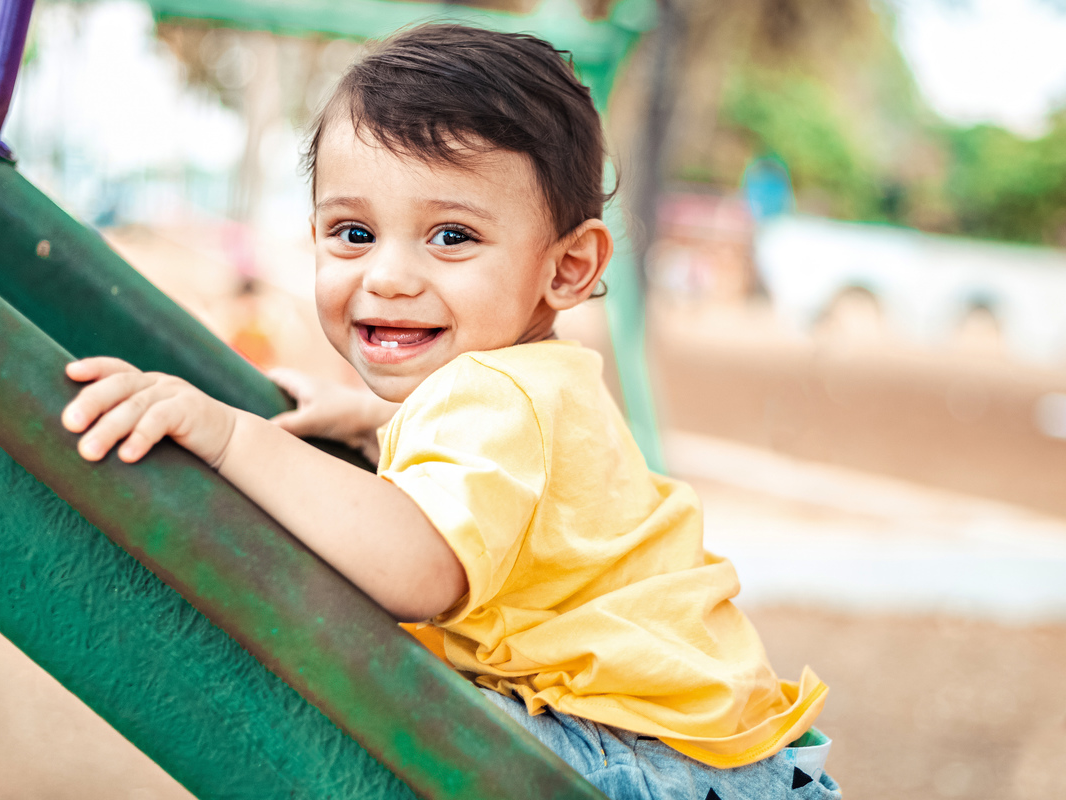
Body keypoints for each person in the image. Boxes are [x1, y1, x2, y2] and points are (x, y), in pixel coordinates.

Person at [60, 24, 840, 800]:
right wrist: (371, 419)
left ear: (568, 267)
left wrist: (232, 437)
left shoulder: (497, 399)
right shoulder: (530, 384)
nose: (390, 275)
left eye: (452, 236)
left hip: (635, 754)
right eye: (354, 233)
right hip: (701, 749)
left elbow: (418, 568)